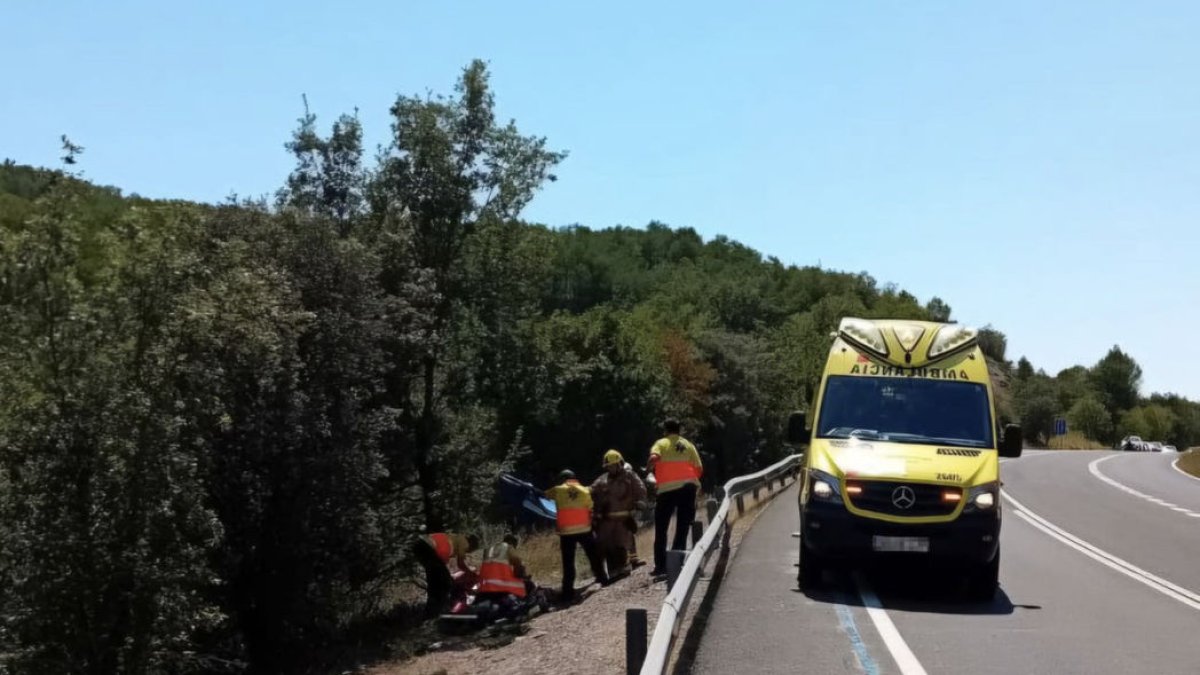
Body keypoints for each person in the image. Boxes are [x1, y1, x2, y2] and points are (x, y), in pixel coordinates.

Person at [648, 418, 703, 577]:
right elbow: (699, 468)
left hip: (666, 490)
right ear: (680, 430)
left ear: (665, 430)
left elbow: (654, 458)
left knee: (661, 528)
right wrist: (692, 481)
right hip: (688, 488)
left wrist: (648, 469)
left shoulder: (661, 443)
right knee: (683, 526)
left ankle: (661, 566)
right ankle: (676, 561)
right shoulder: (688, 445)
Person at [545, 469, 609, 602]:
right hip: (585, 529)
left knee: (568, 563)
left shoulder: (557, 490)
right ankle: (602, 578)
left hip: (566, 532)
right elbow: (590, 507)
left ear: (563, 479)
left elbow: (545, 496)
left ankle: (567, 592)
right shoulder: (585, 490)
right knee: (593, 556)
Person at [590, 449, 647, 577]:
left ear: (620, 464)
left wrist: (640, 502)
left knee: (621, 545)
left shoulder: (629, 476)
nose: (611, 468)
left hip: (623, 519)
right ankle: (613, 572)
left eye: (613, 465)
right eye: (608, 466)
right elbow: (591, 491)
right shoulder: (602, 480)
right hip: (607, 521)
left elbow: (640, 489)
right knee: (608, 546)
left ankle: (625, 568)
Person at [412, 531, 480, 617]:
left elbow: (442, 564)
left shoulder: (454, 540)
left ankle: (430, 614)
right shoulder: (464, 542)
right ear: (471, 545)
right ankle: (445, 610)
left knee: (435, 582)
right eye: (469, 550)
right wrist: (473, 575)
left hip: (421, 546)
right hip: (427, 547)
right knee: (446, 582)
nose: (467, 552)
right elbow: (461, 564)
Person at [477, 534, 529, 601]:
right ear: (511, 542)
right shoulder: (508, 547)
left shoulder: (489, 548)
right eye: (515, 544)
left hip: (484, 584)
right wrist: (522, 576)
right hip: (500, 585)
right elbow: (518, 562)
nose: (515, 546)